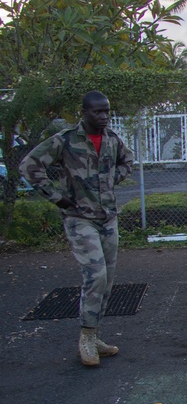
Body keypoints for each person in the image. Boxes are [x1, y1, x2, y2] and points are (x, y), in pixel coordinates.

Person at [20, 91, 134, 366]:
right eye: (98, 112)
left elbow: (128, 162)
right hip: (79, 218)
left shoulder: (111, 139)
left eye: (107, 111)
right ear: (84, 112)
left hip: (107, 218)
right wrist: (56, 196)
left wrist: (109, 180)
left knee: (107, 280)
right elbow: (29, 165)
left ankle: (95, 336)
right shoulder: (66, 140)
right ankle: (85, 338)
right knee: (95, 275)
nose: (104, 116)